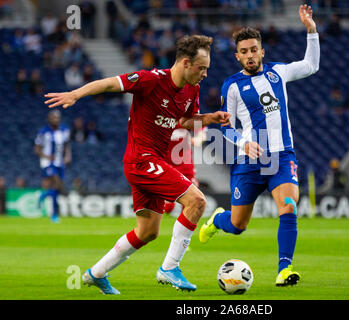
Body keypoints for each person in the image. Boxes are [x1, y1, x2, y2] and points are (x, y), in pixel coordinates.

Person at [44, 35, 231, 294]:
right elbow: (110, 84)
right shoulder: (151, 80)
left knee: (148, 231)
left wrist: (209, 118)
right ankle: (169, 268)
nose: (205, 74)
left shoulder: (192, 90)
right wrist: (76, 93)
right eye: (202, 68)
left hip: (155, 161)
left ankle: (95, 273)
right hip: (141, 160)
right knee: (197, 201)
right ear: (186, 63)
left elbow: (185, 122)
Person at [199, 4, 320, 287]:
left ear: (262, 52)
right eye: (244, 51)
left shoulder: (278, 72)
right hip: (249, 162)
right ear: (237, 56)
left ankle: (284, 269)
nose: (250, 55)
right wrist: (244, 143)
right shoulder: (231, 86)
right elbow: (226, 127)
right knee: (238, 225)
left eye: (254, 49)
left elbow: (311, 65)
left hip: (281, 156)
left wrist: (311, 30)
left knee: (289, 207)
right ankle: (218, 220)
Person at [34, 110, 72, 223]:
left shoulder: (64, 130)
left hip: (60, 162)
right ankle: (54, 215)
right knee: (56, 183)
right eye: (54, 118)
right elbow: (36, 149)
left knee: (58, 188)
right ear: (49, 119)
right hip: (47, 163)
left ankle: (44, 194)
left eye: (58, 118)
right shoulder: (43, 132)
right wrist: (46, 156)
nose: (56, 120)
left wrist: (68, 156)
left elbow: (67, 145)